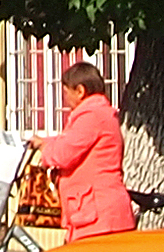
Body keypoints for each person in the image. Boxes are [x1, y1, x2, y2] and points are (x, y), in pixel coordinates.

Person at [35, 58, 137, 239]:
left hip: (98, 217)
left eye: (66, 93)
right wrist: (45, 142)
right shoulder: (97, 114)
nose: (65, 99)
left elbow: (63, 154)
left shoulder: (92, 116)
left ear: (80, 91)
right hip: (93, 214)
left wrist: (45, 149)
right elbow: (71, 141)